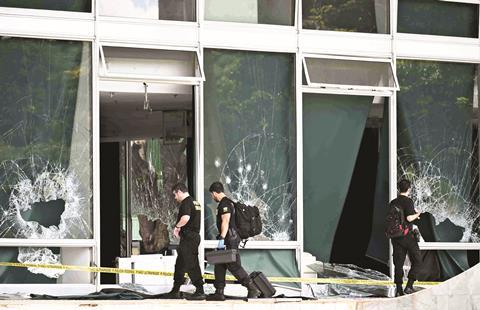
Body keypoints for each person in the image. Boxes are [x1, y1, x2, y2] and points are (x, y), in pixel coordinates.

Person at [206, 181, 261, 301]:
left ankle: (252, 288)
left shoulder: (224, 204)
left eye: (212, 194)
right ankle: (219, 292)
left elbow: (225, 221)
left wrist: (221, 238)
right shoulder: (230, 203)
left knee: (234, 265)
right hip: (231, 238)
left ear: (215, 192)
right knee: (220, 264)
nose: (212, 197)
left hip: (229, 239)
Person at [164, 183, 205, 300]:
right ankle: (175, 290)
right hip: (191, 237)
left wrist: (177, 227)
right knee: (180, 264)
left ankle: (200, 290)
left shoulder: (186, 202)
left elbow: (185, 218)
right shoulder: (195, 202)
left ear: (179, 192)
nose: (175, 198)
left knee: (191, 264)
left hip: (189, 237)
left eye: (175, 195)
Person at [390, 179, 422, 296]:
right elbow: (409, 218)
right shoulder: (408, 201)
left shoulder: (393, 202)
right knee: (418, 259)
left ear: (399, 189)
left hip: (396, 236)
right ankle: (409, 286)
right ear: (409, 189)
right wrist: (418, 214)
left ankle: (398, 289)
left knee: (398, 263)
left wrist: (413, 216)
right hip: (407, 236)